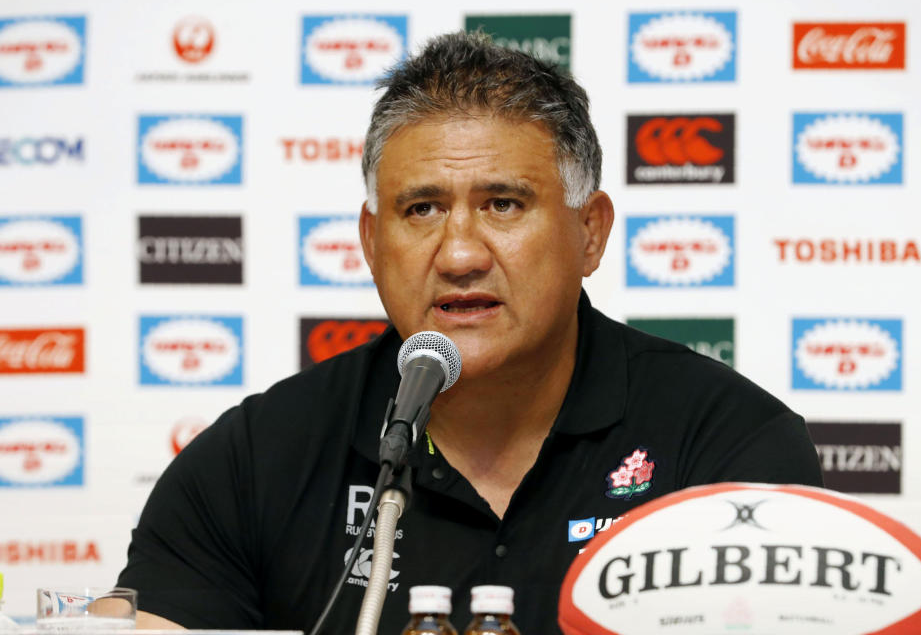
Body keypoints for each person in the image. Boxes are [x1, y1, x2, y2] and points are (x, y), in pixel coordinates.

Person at [118, 31, 822, 634]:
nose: (459, 255)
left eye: (504, 204)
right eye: (421, 209)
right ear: (370, 241)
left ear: (589, 233)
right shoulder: (253, 461)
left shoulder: (727, 447)